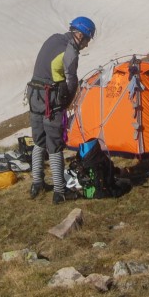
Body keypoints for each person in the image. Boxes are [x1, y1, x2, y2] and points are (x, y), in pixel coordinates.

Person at [26, 16, 95, 204]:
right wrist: (67, 103)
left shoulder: (54, 38)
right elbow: (71, 80)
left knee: (39, 142)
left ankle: (37, 184)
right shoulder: (71, 50)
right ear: (79, 35)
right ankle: (60, 191)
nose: (87, 45)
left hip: (35, 97)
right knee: (55, 144)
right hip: (51, 102)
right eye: (87, 39)